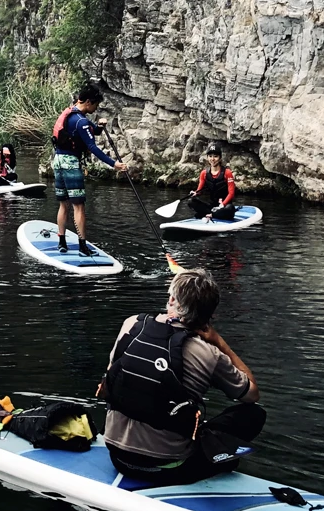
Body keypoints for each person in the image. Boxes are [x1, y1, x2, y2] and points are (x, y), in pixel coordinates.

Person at [98, 268, 264, 485]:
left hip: (117, 456)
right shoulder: (209, 354)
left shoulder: (132, 325)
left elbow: (113, 374)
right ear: (209, 315)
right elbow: (252, 394)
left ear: (172, 300)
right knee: (254, 414)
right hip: (167, 469)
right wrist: (220, 343)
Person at [51, 81, 126, 255]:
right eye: (96, 104)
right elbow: (92, 146)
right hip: (70, 163)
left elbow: (93, 131)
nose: (96, 108)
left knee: (64, 205)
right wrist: (114, 164)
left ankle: (62, 242)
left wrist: (99, 126)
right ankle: (83, 247)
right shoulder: (81, 121)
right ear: (88, 102)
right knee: (79, 207)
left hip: (58, 161)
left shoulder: (72, 114)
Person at [190, 143, 236, 220]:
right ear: (207, 158)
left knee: (230, 208)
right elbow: (199, 191)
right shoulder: (204, 173)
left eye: (215, 156)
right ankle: (212, 214)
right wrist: (195, 193)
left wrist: (223, 204)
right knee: (191, 202)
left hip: (224, 206)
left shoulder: (227, 172)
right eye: (210, 156)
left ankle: (210, 214)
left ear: (220, 158)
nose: (212, 159)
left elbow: (231, 193)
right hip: (211, 207)